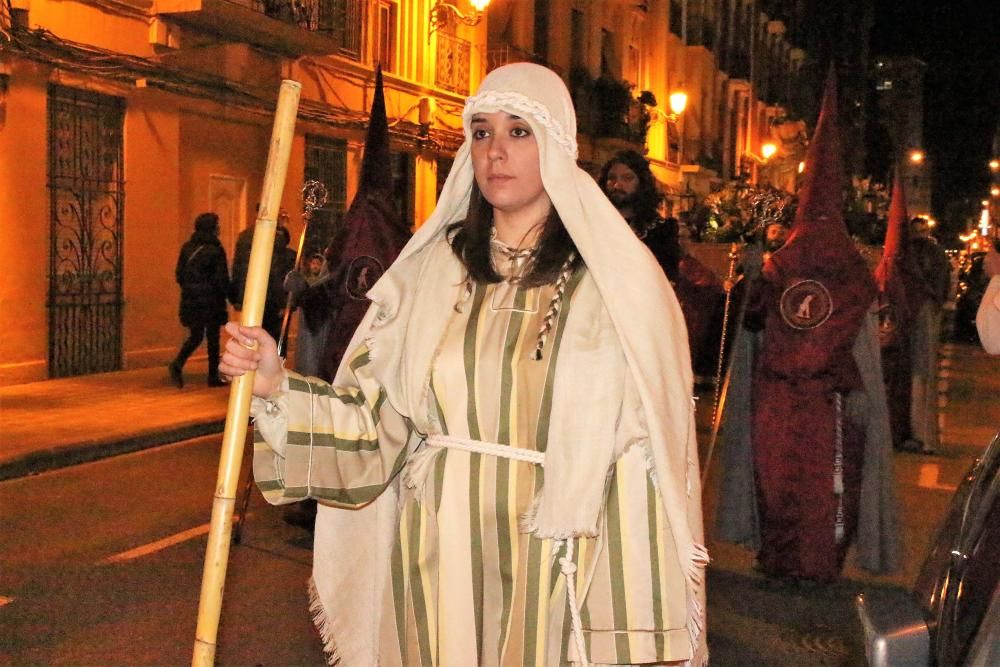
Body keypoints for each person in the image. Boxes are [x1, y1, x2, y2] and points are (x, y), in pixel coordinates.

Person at [220, 63, 707, 666]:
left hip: (556, 553)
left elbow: (644, 456)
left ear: (555, 146)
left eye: (518, 132)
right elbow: (378, 426)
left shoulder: (614, 281)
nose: (495, 151)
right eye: (480, 132)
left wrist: (627, 617)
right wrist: (274, 380)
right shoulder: (429, 274)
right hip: (435, 548)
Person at [715, 71, 899, 583]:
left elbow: (757, 320)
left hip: (801, 399)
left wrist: (752, 280)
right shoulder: (845, 270)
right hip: (822, 402)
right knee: (820, 485)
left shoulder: (783, 263)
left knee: (789, 483)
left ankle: (783, 560)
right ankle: (810, 565)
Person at [599, 149, 681, 282]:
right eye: (612, 178)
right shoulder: (595, 223)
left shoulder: (661, 231)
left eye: (627, 178)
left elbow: (667, 277)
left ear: (641, 183)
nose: (617, 185)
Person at [905, 215, 951, 453]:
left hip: (923, 312)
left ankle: (922, 434)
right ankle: (917, 433)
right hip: (915, 314)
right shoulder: (921, 252)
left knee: (922, 373)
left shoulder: (931, 254)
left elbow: (939, 286)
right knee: (918, 373)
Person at [169, 212, 230, 388]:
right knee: (213, 338)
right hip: (211, 301)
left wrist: (191, 289)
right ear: (212, 228)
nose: (219, 228)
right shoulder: (215, 250)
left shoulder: (187, 248)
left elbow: (179, 275)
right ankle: (212, 376)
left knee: (196, 335)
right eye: (217, 225)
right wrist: (230, 295)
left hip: (191, 299)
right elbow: (221, 279)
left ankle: (178, 363)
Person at [230, 208, 295, 342]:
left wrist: (237, 298)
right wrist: (282, 302)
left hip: (248, 295)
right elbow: (276, 271)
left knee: (251, 337)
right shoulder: (274, 237)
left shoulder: (244, 237)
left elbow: (237, 268)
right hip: (269, 297)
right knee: (271, 338)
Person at [283, 253, 331, 377]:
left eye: (318, 264)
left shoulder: (326, 283)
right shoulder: (307, 280)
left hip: (320, 322)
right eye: (313, 263)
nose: (315, 266)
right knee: (307, 352)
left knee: (313, 354)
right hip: (309, 321)